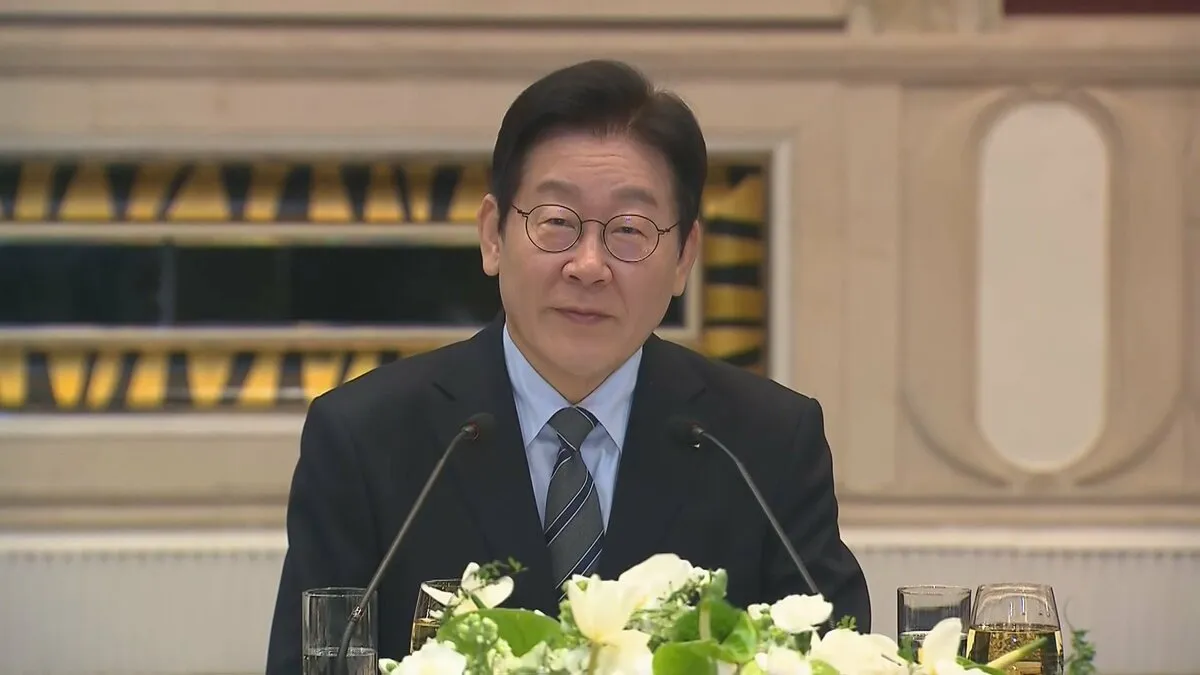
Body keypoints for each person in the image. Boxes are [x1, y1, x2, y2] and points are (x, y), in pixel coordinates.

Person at [265, 59, 870, 673]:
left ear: (684, 257)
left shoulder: (764, 445)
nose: (588, 266)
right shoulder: (366, 439)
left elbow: (837, 653)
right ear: (493, 236)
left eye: (629, 230)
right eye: (556, 222)